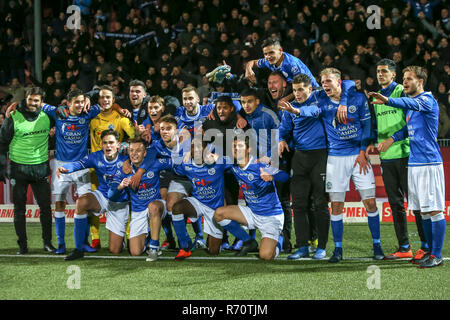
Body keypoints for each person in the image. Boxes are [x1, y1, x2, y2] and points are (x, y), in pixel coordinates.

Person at [297, 68, 384, 263]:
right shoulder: (320, 98)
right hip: (335, 159)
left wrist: (363, 151)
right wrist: (296, 110)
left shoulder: (358, 98)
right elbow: (309, 107)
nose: (324, 84)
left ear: (339, 82)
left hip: (358, 157)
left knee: (369, 202)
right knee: (336, 205)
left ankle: (377, 244)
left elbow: (367, 126)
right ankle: (337, 249)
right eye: (322, 81)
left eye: (328, 81)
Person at [369, 65, 446, 268]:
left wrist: (388, 100)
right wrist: (392, 138)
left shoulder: (426, 100)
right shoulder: (413, 105)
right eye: (404, 78)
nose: (405, 82)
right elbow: (406, 129)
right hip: (414, 164)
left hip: (429, 163)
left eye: (409, 79)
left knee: (435, 211)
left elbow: (402, 101)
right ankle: (427, 250)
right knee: (421, 211)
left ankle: (436, 255)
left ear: (420, 81)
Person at [366, 59, 427, 261]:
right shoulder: (375, 96)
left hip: (406, 154)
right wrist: (372, 140)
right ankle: (404, 246)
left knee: (416, 202)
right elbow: (377, 124)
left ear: (394, 74)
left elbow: (411, 123)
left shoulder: (402, 92)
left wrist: (392, 139)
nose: (380, 74)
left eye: (384, 71)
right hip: (386, 157)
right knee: (395, 203)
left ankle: (425, 246)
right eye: (378, 71)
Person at [42, 89, 101, 254]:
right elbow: (38, 104)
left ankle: (83, 242)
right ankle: (61, 244)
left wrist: (89, 97)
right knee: (60, 203)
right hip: (62, 166)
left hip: (81, 166)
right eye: (77, 102)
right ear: (68, 103)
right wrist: (15, 105)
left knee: (86, 204)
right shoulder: (58, 113)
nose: (80, 105)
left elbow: (109, 101)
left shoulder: (88, 113)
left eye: (82, 101)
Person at [278, 74, 330, 260]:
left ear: (310, 89)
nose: (297, 93)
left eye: (301, 89)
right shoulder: (288, 110)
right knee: (298, 204)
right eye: (294, 90)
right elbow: (283, 130)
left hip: (320, 156)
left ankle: (322, 247)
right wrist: (282, 140)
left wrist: (297, 111)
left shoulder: (319, 100)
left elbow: (313, 112)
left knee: (320, 203)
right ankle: (302, 247)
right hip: (299, 158)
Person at [56, 129, 130, 260]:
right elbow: (79, 164)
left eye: (111, 143)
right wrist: (66, 168)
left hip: (119, 202)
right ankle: (79, 249)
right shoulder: (96, 157)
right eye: (105, 143)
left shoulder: (126, 159)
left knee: (115, 250)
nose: (108, 146)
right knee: (81, 202)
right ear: (101, 144)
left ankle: (121, 239)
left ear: (118, 145)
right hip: (103, 196)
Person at [0, 87, 56, 254]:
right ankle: (22, 246)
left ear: (42, 102)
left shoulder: (48, 116)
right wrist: (2, 166)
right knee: (19, 209)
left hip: (40, 169)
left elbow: (67, 112)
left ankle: (47, 243)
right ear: (26, 98)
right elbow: (2, 141)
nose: (33, 103)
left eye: (36, 100)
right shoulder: (14, 115)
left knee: (46, 208)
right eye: (31, 99)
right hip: (19, 169)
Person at [214, 137, 289, 260]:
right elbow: (214, 159)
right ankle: (248, 241)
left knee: (265, 256)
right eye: (233, 146)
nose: (236, 149)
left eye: (240, 146)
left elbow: (284, 176)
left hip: (271, 217)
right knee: (219, 214)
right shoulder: (232, 164)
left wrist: (271, 177)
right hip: (252, 213)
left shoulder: (259, 165)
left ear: (249, 150)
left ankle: (280, 239)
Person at [87, 85, 135, 249]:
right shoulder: (92, 117)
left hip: (118, 171)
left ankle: (127, 235)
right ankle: (95, 238)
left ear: (113, 100)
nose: (105, 100)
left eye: (108, 97)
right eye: (102, 97)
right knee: (94, 206)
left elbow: (135, 138)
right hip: (96, 170)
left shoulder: (121, 119)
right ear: (98, 100)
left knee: (124, 203)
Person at [170, 139, 235, 261]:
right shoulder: (186, 164)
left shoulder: (217, 162)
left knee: (213, 251)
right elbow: (171, 165)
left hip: (215, 209)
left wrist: (218, 156)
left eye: (201, 148)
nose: (197, 150)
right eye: (194, 148)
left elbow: (236, 159)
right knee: (177, 208)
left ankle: (216, 239)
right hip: (198, 203)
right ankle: (185, 246)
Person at [108, 137, 172, 260]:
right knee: (135, 252)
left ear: (145, 153)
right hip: (138, 212)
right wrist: (121, 186)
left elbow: (175, 163)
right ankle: (147, 236)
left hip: (157, 206)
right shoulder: (124, 170)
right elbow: (111, 194)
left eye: (138, 150)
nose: (134, 154)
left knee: (153, 207)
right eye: (131, 150)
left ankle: (154, 247)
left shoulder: (154, 163)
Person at [245, 37, 319, 87]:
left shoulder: (292, 65)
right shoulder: (268, 61)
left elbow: (303, 86)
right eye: (265, 54)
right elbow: (252, 63)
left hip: (311, 90)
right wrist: (248, 70)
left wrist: (285, 99)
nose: (268, 56)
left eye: (271, 52)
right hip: (293, 88)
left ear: (280, 50)